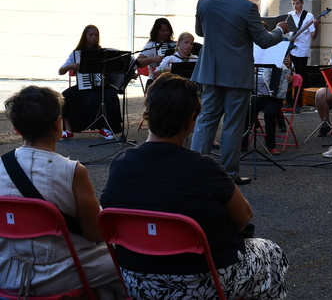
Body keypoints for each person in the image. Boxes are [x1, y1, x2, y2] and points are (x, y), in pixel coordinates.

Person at [100, 73, 289, 300]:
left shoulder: (121, 163)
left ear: (148, 113)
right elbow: (244, 217)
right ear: (191, 119)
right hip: (202, 283)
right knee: (271, 252)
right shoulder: (204, 167)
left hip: (136, 280)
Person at [1, 86, 124, 299]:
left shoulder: (2, 166)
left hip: (6, 273)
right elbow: (94, 233)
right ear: (58, 123)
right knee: (125, 256)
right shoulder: (72, 171)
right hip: (55, 275)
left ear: (16, 129)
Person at [190, 0, 288, 185]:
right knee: (233, 123)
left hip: (210, 71)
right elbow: (263, 40)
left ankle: (196, 171)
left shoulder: (204, 3)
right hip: (236, 74)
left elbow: (200, 32)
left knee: (206, 119)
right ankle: (228, 174)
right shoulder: (247, 7)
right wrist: (280, 30)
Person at [58, 24, 123, 140]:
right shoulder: (76, 53)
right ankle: (68, 130)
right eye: (91, 35)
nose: (94, 37)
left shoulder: (103, 53)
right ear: (85, 36)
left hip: (101, 86)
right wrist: (69, 66)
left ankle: (104, 128)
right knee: (66, 95)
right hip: (83, 86)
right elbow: (60, 71)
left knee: (111, 95)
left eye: (96, 35)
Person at [286, 0, 319, 89]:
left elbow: (313, 36)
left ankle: (299, 95)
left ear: (302, 3)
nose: (295, 6)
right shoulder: (289, 15)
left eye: (297, 3)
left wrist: (316, 27)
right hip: (290, 49)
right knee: (289, 75)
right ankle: (290, 95)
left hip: (302, 50)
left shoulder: (309, 16)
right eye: (293, 4)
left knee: (300, 75)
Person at [137, 18, 176, 88]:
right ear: (156, 31)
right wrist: (152, 59)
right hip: (155, 82)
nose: (166, 33)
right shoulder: (152, 45)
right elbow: (138, 62)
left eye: (167, 30)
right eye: (162, 31)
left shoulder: (174, 44)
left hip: (172, 81)